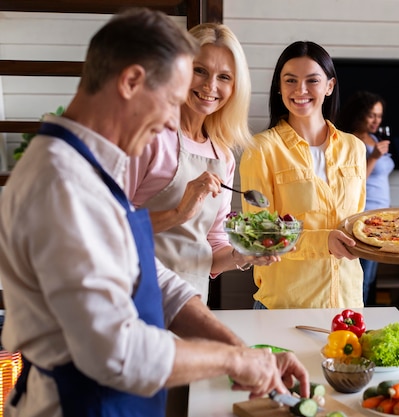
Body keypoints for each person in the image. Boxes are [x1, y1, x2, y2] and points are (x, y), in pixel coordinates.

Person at [0, 9, 308, 417]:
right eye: (170, 100)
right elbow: (115, 352)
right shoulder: (61, 182)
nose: (170, 119)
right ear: (131, 82)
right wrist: (235, 361)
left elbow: (152, 274)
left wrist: (241, 350)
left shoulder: (90, 165)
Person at [127, 22, 277, 306]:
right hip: (135, 298)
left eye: (224, 77)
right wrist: (178, 213)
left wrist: (242, 255)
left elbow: (212, 246)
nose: (210, 86)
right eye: (199, 70)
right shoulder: (149, 136)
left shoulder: (223, 155)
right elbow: (107, 224)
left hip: (191, 302)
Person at [239, 41, 367, 309]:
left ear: (329, 86)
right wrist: (325, 242)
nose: (301, 90)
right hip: (285, 306)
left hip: (348, 303)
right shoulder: (261, 149)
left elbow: (357, 221)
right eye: (290, 80)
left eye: (312, 80)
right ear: (279, 86)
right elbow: (261, 234)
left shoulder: (354, 147)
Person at [336, 91, 394, 305]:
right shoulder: (351, 141)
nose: (376, 121)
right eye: (371, 115)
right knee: (363, 276)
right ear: (359, 115)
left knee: (370, 276)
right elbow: (356, 179)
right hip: (365, 216)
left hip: (382, 215)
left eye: (379, 116)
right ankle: (358, 317)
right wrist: (374, 157)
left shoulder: (375, 138)